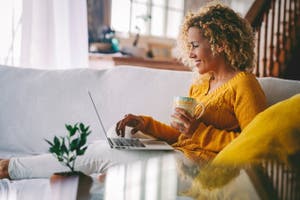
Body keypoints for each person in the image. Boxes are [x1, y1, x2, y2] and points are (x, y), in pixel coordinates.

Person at [0, 2, 266, 180]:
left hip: (203, 170)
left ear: (219, 43)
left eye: (196, 45)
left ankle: (11, 168)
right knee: (105, 142)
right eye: (190, 46)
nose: (191, 53)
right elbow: (181, 137)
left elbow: (255, 148)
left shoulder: (243, 84)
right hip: (179, 154)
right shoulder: (200, 83)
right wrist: (145, 124)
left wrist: (198, 131)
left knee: (103, 153)